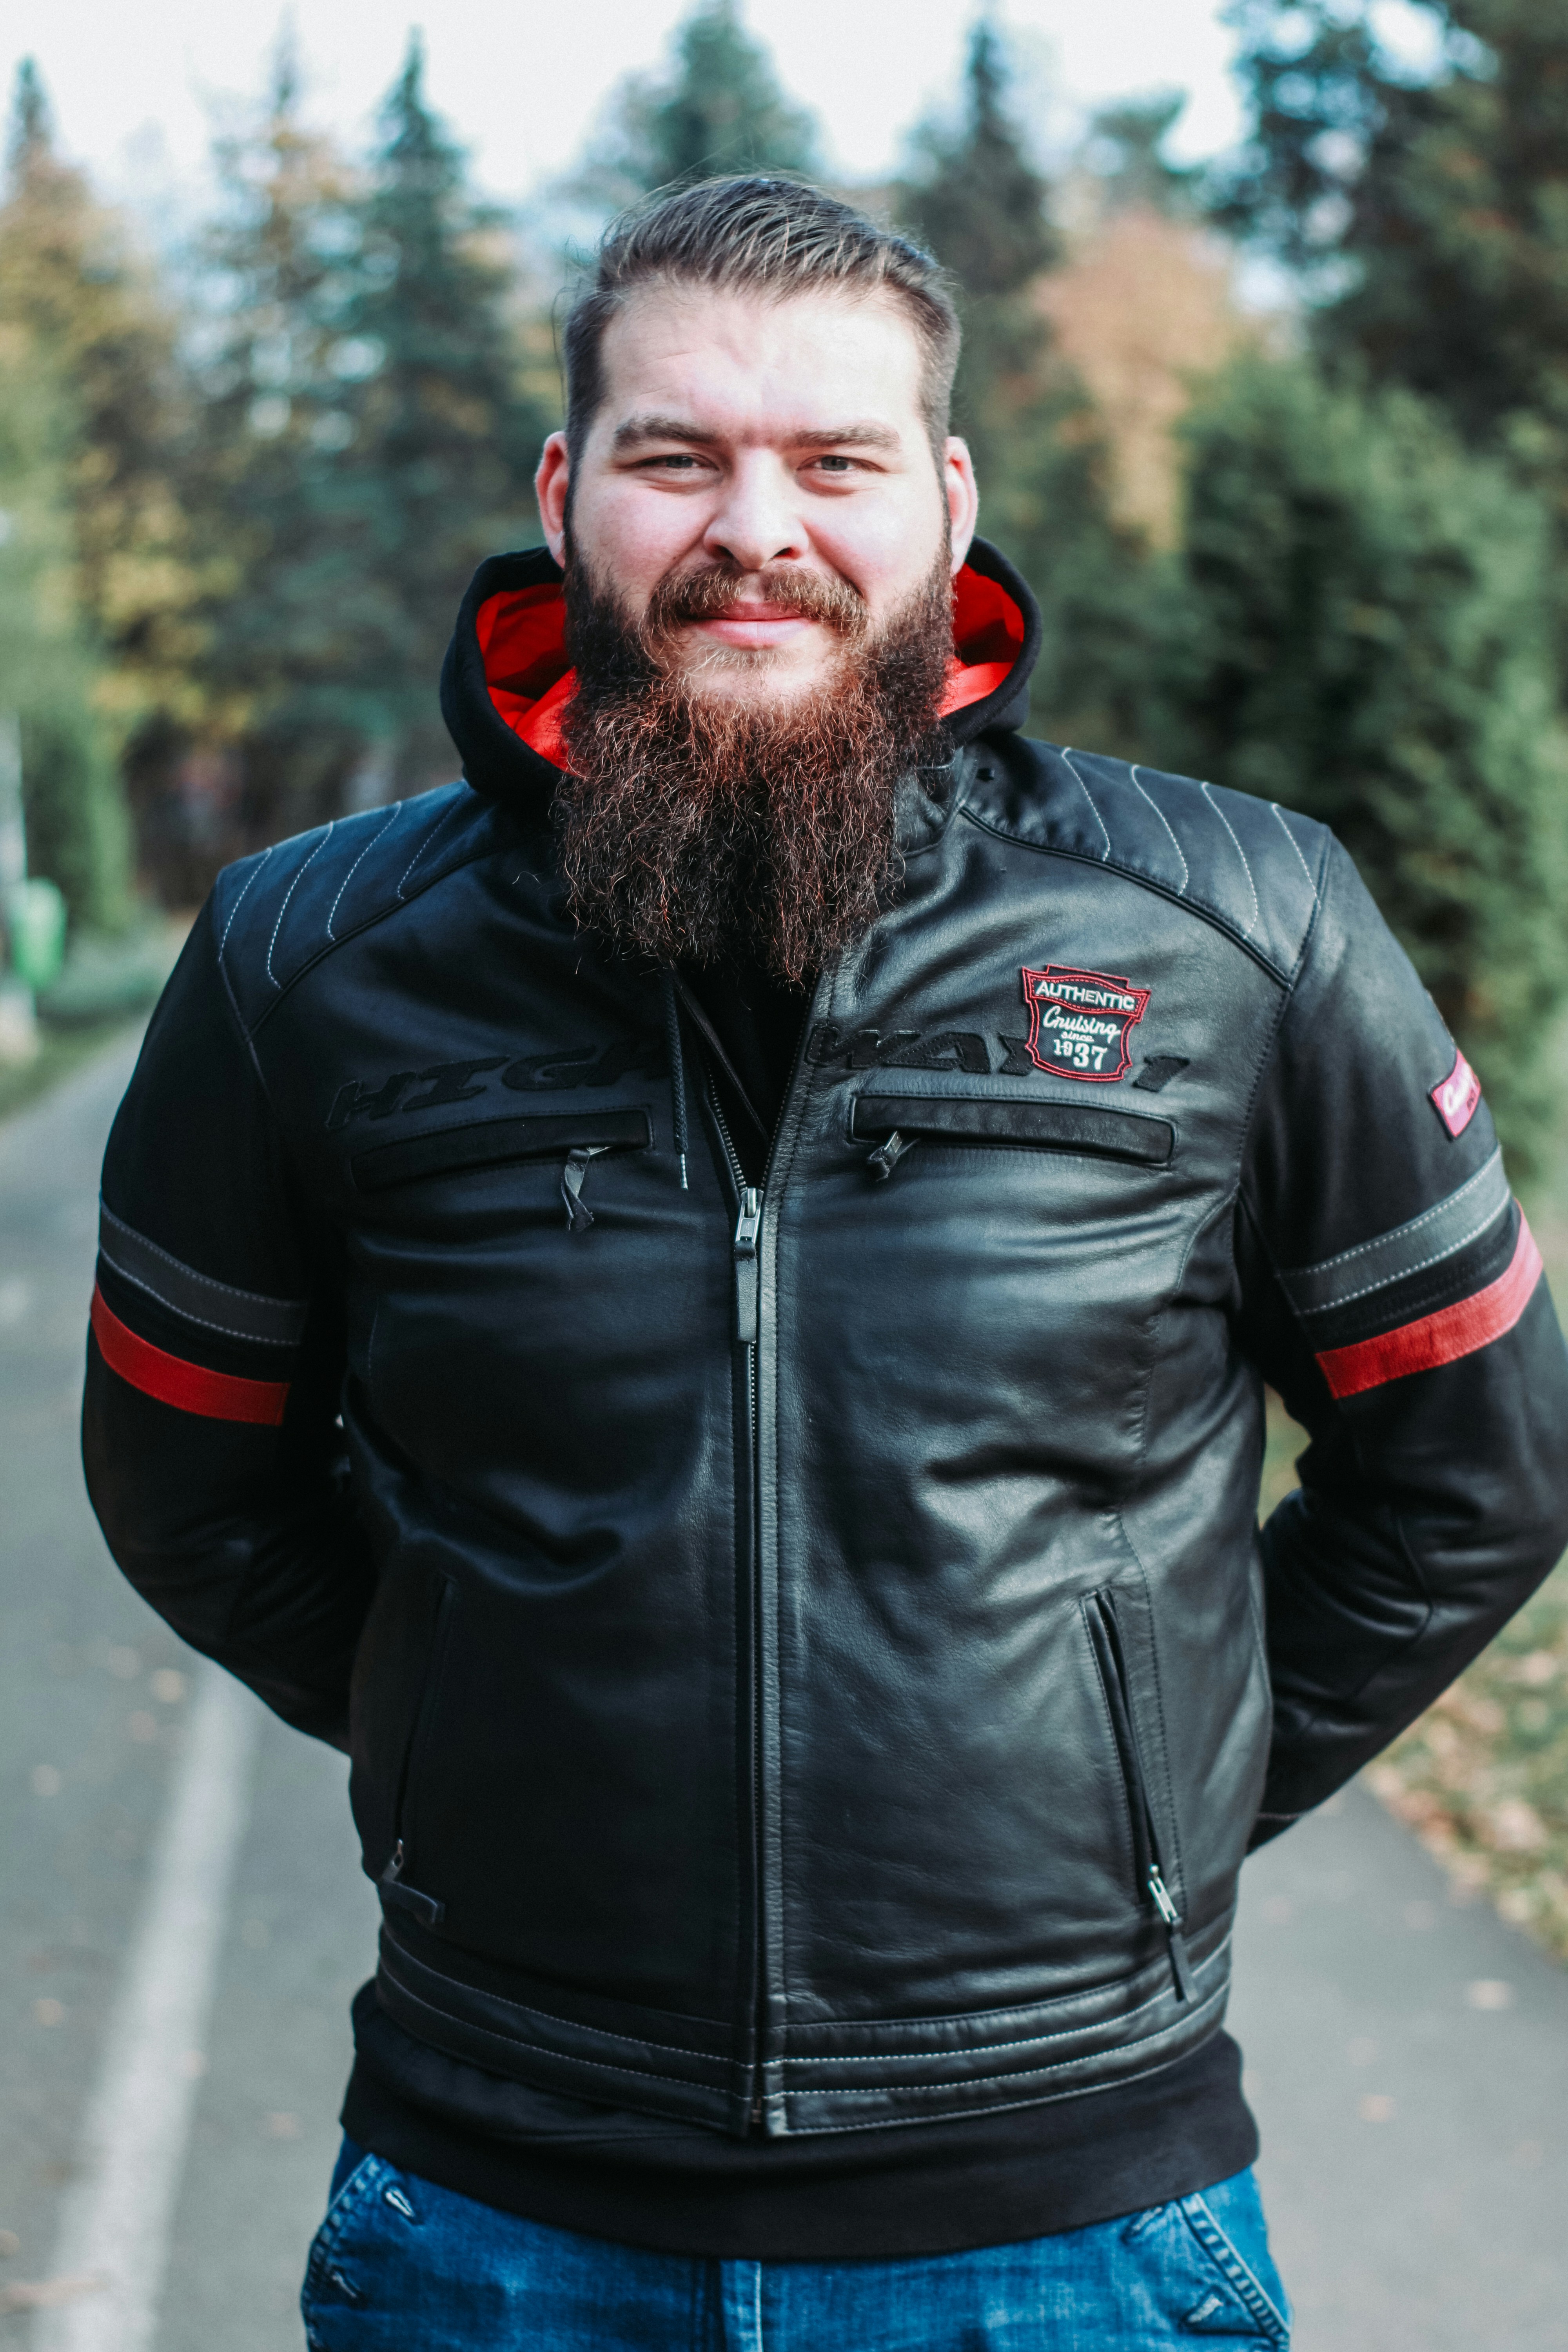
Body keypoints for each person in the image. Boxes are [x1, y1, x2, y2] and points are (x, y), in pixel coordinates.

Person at [83, 176, 1568, 2350]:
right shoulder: (309, 961)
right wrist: (463, 1721)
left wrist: (1141, 1797)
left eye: (836, 460)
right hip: (496, 2219)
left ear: (946, 502)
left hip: (1073, 2234)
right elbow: (194, 1483)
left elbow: (1478, 1467)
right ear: (566, 489)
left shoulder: (1241, 924)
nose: (753, 525)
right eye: (678, 453)